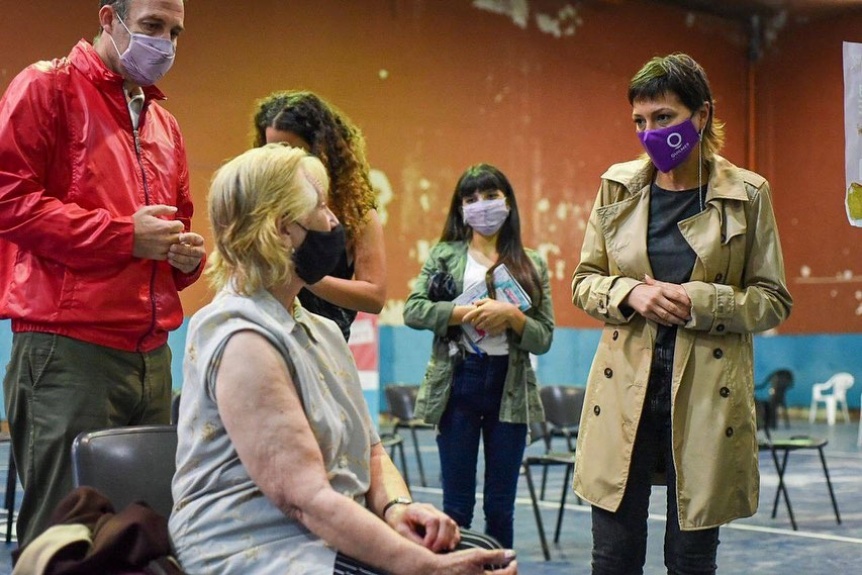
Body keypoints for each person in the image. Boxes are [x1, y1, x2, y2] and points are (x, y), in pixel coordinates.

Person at [170, 144, 517, 575]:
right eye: (319, 206)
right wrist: (426, 568)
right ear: (282, 231)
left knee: (484, 553)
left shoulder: (322, 331)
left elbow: (371, 452)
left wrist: (396, 508)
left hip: (322, 532)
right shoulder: (240, 336)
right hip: (254, 548)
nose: (333, 220)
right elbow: (305, 499)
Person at [571, 53, 793, 575]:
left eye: (664, 117)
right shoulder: (617, 186)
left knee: (691, 561)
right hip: (626, 390)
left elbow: (773, 298)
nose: (650, 133)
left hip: (704, 398)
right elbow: (583, 282)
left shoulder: (748, 194)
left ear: (702, 115)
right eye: (639, 121)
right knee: (613, 559)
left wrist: (703, 301)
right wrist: (630, 293)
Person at [0, 0, 205, 546]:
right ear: (109, 17)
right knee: (63, 536)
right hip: (67, 350)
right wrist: (124, 236)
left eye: (175, 31)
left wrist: (184, 258)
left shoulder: (165, 124)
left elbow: (171, 227)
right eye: (152, 27)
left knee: (145, 533)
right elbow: (8, 199)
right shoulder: (47, 87)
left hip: (151, 355)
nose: (166, 44)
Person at [403, 164, 555, 549]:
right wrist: (462, 313)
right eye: (470, 199)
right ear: (460, 209)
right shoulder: (444, 256)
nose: (481, 205)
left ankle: (499, 567)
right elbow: (413, 310)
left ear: (508, 203)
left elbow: (544, 338)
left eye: (490, 196)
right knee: (457, 507)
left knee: (501, 508)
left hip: (510, 387)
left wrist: (513, 317)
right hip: (457, 383)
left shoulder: (531, 263)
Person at [252, 90, 385, 341]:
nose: (284, 163)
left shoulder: (353, 210)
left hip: (323, 348)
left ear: (320, 151)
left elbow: (374, 296)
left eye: (293, 152)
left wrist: (305, 277)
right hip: (266, 338)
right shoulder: (261, 204)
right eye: (273, 152)